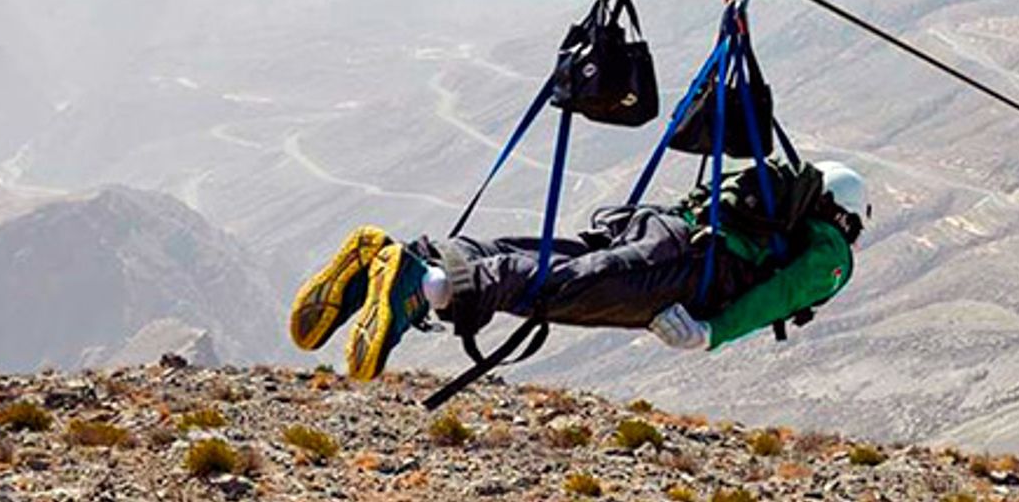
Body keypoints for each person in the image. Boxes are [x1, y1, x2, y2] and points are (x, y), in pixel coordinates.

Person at [288, 160, 867, 380]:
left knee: (546, 258)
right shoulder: (831, 254)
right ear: (848, 215)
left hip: (657, 226)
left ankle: (396, 259)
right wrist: (711, 334)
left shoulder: (775, 211)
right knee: (555, 291)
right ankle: (424, 288)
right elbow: (782, 294)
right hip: (683, 270)